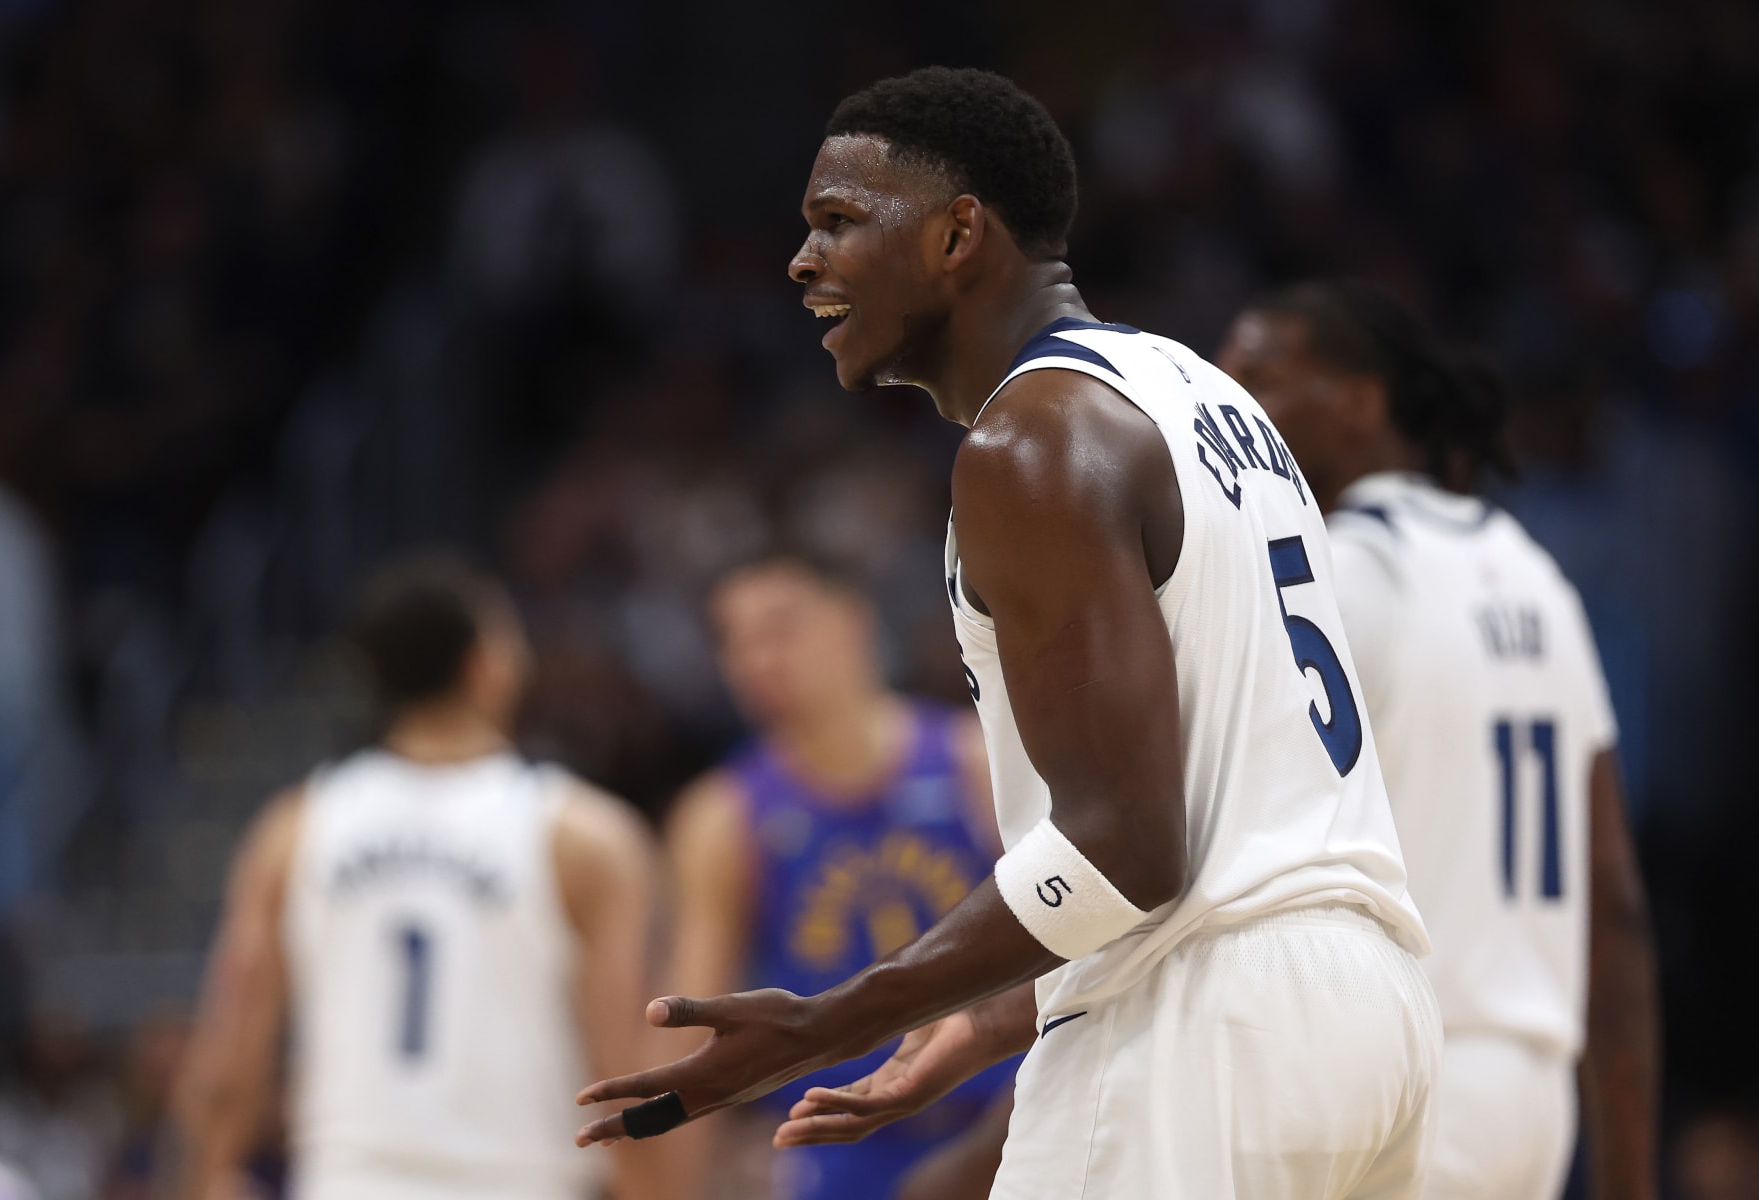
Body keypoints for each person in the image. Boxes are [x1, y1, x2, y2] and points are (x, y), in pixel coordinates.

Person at [575, 66, 1439, 1199]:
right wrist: (986, 1021)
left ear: (957, 234)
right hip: (1371, 1011)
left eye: (839, 223)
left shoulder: (1029, 440)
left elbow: (1128, 848)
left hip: (1200, 1018)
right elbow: (1226, 801)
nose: (802, 261)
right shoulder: (1203, 393)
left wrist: (827, 1021)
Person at [1217, 280, 1659, 1200]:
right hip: (1530, 1102)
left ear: (1360, 404)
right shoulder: (1534, 575)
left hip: (1395, 1089)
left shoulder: (1330, 569)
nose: (1226, 397)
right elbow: (1612, 907)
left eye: (1258, 374)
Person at [170, 554, 669, 1200]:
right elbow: (621, 1064)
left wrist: (202, 1175)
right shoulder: (585, 837)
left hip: (349, 1181)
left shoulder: (293, 832)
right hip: (522, 1182)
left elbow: (226, 1064)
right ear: (485, 664)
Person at [664, 552, 1015, 1200]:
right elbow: (685, 1029)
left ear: (853, 621)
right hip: (839, 1151)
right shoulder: (723, 815)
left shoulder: (975, 758)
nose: (755, 658)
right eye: (734, 641)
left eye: (778, 629)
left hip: (998, 1127)